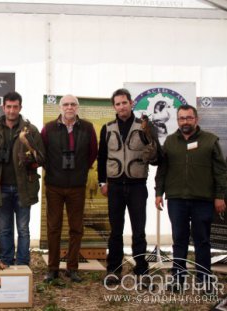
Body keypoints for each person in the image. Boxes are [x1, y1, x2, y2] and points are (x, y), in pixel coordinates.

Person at [155, 105, 227, 291]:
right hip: (176, 199)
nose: (185, 121)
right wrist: (158, 193)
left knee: (202, 240)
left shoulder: (210, 140)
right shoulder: (170, 142)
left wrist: (219, 196)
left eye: (188, 118)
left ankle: (204, 280)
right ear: (177, 120)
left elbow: (220, 171)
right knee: (179, 240)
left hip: (203, 200)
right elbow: (162, 170)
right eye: (181, 118)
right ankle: (178, 280)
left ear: (196, 119)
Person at [97, 88, 159, 286]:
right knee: (115, 231)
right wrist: (102, 182)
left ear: (131, 103)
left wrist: (153, 152)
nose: (121, 106)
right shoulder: (107, 128)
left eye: (124, 102)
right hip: (114, 186)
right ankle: (113, 270)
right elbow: (101, 157)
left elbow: (157, 156)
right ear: (113, 106)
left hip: (137, 186)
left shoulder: (144, 126)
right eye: (117, 104)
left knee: (138, 231)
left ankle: (142, 270)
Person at [41, 95, 98, 283]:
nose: (69, 107)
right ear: (60, 107)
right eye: (66, 104)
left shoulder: (88, 128)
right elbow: (42, 154)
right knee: (53, 228)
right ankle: (53, 269)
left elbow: (92, 153)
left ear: (78, 107)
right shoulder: (48, 128)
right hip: (54, 186)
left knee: (76, 228)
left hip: (77, 186)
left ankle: (72, 268)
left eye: (73, 104)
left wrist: (80, 170)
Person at [0, 91, 45, 267]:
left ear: (20, 107)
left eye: (15, 107)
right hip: (2, 187)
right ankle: (6, 260)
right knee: (5, 229)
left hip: (23, 188)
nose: (12, 111)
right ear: (3, 107)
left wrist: (29, 159)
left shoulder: (31, 130)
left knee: (23, 230)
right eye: (8, 107)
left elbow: (42, 157)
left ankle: (22, 263)